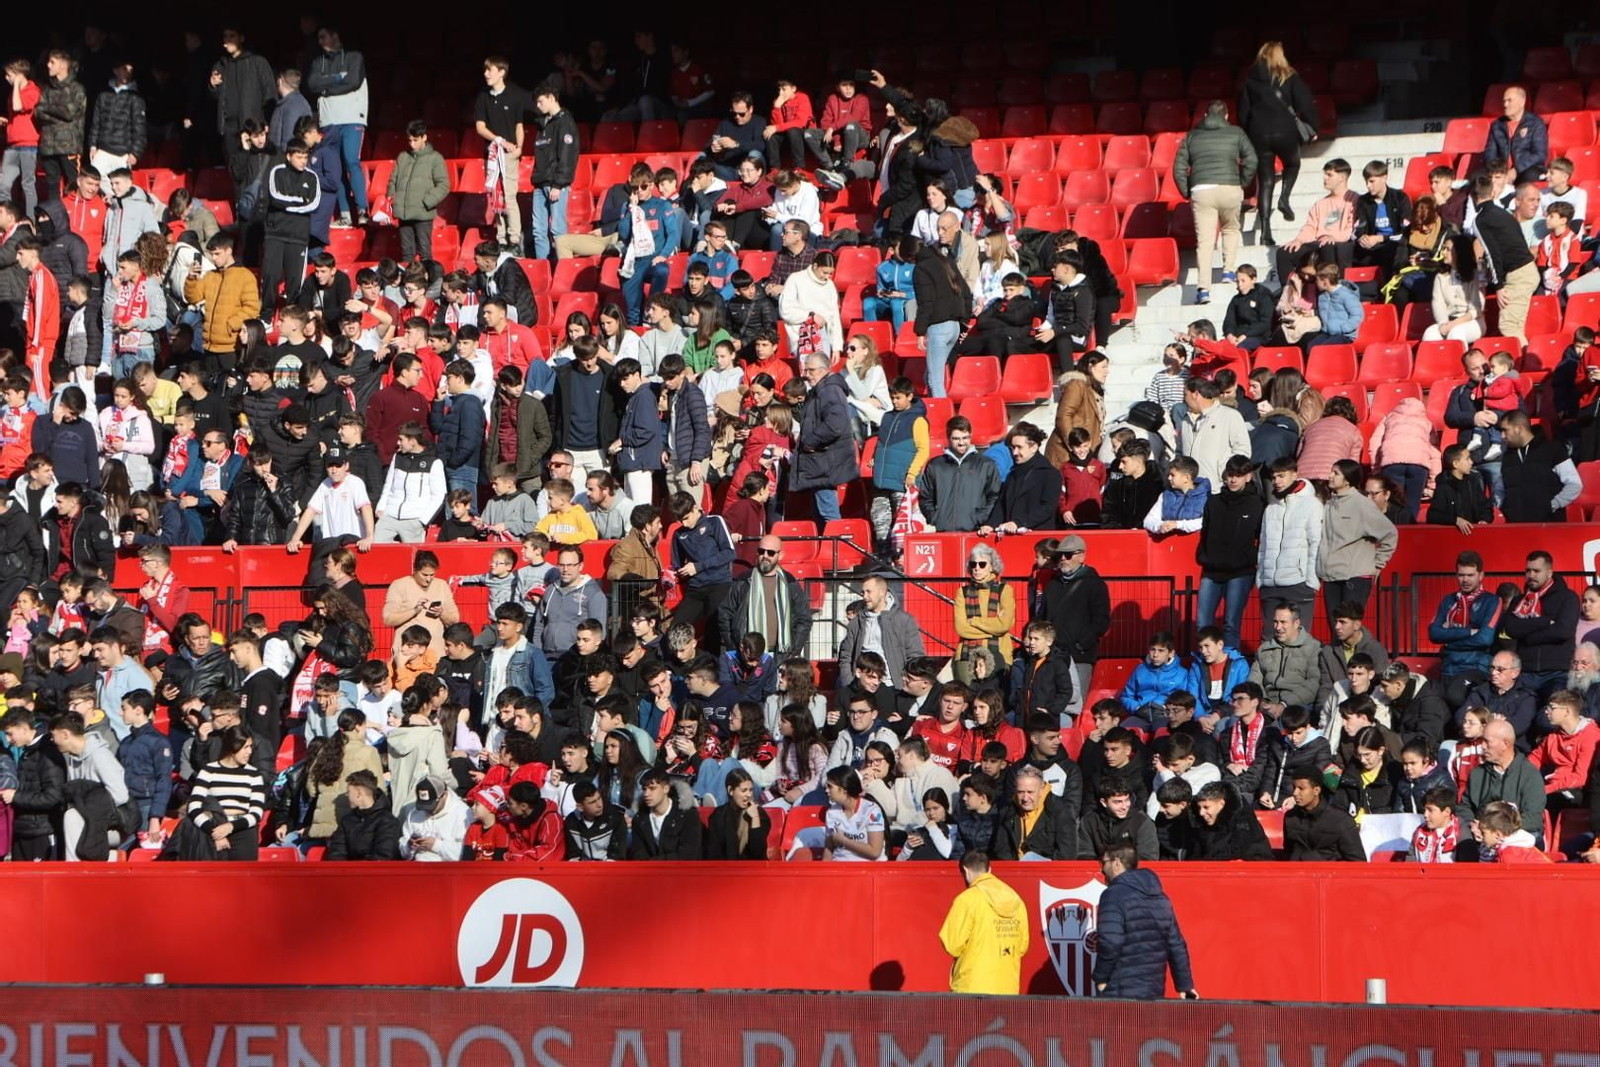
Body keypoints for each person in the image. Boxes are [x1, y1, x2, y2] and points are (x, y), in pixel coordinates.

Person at [1174, 100, 1257, 304]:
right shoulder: (1236, 133)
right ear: (1226, 116)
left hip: (1202, 191)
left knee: (1205, 241)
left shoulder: (1192, 135)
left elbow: (1178, 168)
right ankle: (1228, 272)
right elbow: (1252, 160)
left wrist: (1187, 191)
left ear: (1205, 116)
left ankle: (1203, 289)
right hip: (1229, 187)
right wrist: (1242, 182)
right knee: (1230, 229)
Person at [1091, 842, 1197, 999]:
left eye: (1104, 862)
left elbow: (1110, 942)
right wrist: (1185, 986)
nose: (1101, 869)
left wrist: (1101, 978)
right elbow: (1176, 945)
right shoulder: (1161, 898)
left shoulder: (1112, 895)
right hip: (1153, 991)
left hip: (1119, 991)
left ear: (1117, 863)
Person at [1237, 41, 1317, 246]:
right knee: (1293, 164)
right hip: (1285, 131)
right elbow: (1305, 104)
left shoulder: (1250, 81)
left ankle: (1265, 231)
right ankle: (1284, 198)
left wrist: (1248, 133)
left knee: (1265, 181)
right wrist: (1314, 127)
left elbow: (1243, 113)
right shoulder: (1289, 77)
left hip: (1258, 134)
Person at [936, 851, 1028, 995]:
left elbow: (952, 945)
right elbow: (1022, 947)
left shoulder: (967, 899)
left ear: (965, 871)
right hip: (1008, 987)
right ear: (989, 870)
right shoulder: (1016, 900)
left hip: (971, 987)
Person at [179, 725, 267, 861]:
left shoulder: (254, 774)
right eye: (245, 747)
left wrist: (231, 827)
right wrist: (214, 832)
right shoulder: (209, 771)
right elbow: (194, 807)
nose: (249, 752)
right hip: (211, 829)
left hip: (243, 831)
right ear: (233, 747)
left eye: (250, 747)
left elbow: (256, 813)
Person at [1040, 535, 1111, 700]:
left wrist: (1082, 644)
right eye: (1059, 556)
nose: (1063, 559)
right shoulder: (1053, 585)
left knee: (1075, 702)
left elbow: (1102, 620)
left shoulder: (1095, 584)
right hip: (1053, 656)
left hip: (1080, 657)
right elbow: (1043, 617)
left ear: (1081, 556)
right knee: (1050, 700)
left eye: (1068, 555)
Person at [1470, 174, 1539, 345]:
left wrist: (1498, 286)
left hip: (1518, 275)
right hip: (1527, 270)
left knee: (1509, 326)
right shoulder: (1504, 214)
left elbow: (1493, 254)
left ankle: (1525, 365)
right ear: (1492, 193)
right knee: (1515, 326)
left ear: (1472, 196)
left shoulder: (1481, 220)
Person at [1503, 550, 1579, 699]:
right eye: (1528, 571)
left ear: (1549, 573)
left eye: (1536, 571)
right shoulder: (1519, 601)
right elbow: (1511, 628)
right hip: (1525, 672)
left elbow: (1563, 631)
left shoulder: (1568, 597)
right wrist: (1544, 621)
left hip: (1557, 673)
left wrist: (1529, 637)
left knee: (1547, 720)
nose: (1531, 575)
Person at [474, 57, 530, 253]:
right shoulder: (483, 96)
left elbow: (519, 125)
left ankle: (515, 239)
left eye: (490, 70)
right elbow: (480, 127)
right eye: (485, 70)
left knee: (509, 195)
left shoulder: (514, 96)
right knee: (495, 196)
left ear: (501, 72)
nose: (486, 74)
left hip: (509, 155)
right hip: (491, 154)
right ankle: (501, 239)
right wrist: (498, 140)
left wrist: (519, 148)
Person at [837, 575, 925, 691]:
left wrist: (907, 684)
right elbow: (845, 656)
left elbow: (915, 655)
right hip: (863, 689)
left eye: (869, 592)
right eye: (863, 592)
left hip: (894, 686)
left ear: (882, 592)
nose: (865, 596)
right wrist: (849, 683)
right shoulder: (856, 623)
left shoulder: (904, 620)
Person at [991, 764, 1077, 860]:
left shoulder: (1061, 811)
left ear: (1041, 790)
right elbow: (1002, 850)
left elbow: (1066, 853)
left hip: (1047, 870)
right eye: (1020, 792)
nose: (1025, 798)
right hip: (1014, 870)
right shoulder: (1007, 811)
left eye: (1030, 792)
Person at [1282, 768, 1364, 860]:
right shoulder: (1291, 817)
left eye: (1301, 788)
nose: (1295, 793)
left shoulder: (1341, 820)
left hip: (1329, 873)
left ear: (1316, 790)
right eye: (1294, 788)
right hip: (1297, 872)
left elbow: (1357, 862)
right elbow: (1287, 853)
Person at [323, 769, 402, 860]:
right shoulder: (347, 821)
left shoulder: (387, 821)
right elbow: (336, 854)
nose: (347, 796)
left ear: (358, 794)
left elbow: (384, 855)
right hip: (349, 872)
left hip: (375, 872)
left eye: (348, 792)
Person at [628, 768, 702, 859]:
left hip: (682, 871)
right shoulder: (639, 819)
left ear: (666, 789)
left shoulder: (687, 815)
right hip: (650, 872)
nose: (646, 794)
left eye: (652, 788)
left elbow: (687, 854)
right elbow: (638, 854)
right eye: (644, 789)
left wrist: (654, 863)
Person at [1485, 86, 1549, 185]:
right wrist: (1498, 172)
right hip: (1502, 171)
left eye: (1509, 101)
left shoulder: (1535, 123)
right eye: (1504, 101)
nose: (1505, 104)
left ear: (1522, 102)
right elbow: (1490, 153)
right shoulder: (1497, 125)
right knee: (1476, 178)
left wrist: (1516, 170)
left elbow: (1539, 155)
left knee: (1529, 177)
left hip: (1527, 170)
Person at [822, 765, 885, 861]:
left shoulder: (872, 811)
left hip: (869, 869)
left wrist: (843, 841)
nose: (826, 791)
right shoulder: (831, 813)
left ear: (844, 789)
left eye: (830, 787)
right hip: (840, 869)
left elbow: (875, 852)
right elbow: (828, 849)